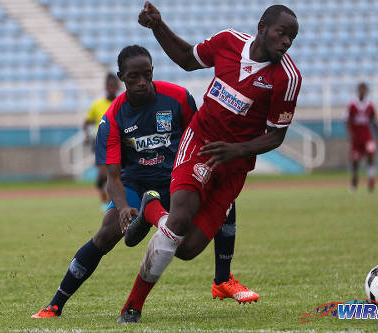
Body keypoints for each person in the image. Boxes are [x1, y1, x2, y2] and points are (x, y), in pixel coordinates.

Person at [31, 45, 257, 319]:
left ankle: (223, 279)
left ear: (152, 72)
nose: (141, 82)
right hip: (136, 184)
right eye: (133, 77)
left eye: (146, 75)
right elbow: (112, 176)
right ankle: (55, 304)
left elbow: (198, 136)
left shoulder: (178, 98)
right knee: (106, 232)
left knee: (225, 199)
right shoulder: (113, 117)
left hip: (177, 178)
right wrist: (124, 206)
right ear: (121, 77)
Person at [118, 2, 301, 323]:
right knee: (178, 224)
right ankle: (133, 306)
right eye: (281, 33)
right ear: (262, 28)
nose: (286, 42)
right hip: (199, 143)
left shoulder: (287, 79)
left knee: (187, 249)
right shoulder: (229, 41)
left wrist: (236, 150)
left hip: (234, 166)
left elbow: (275, 137)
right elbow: (188, 59)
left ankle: (151, 209)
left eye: (292, 38)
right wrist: (158, 26)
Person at [83, 73, 120, 209]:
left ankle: (113, 201)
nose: (111, 88)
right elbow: (86, 122)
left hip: (119, 143)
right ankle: (104, 200)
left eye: (114, 85)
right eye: (109, 86)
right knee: (103, 174)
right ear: (106, 87)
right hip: (101, 143)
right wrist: (87, 135)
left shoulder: (122, 102)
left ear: (117, 86)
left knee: (117, 173)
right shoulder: (97, 104)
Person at [346, 82, 378, 193]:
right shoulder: (352, 105)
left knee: (371, 157)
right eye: (361, 89)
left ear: (366, 91)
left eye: (364, 89)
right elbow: (347, 121)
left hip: (367, 137)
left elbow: (374, 122)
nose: (362, 91)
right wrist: (350, 134)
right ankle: (354, 183)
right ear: (358, 90)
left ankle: (371, 181)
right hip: (356, 139)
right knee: (355, 161)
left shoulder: (370, 105)